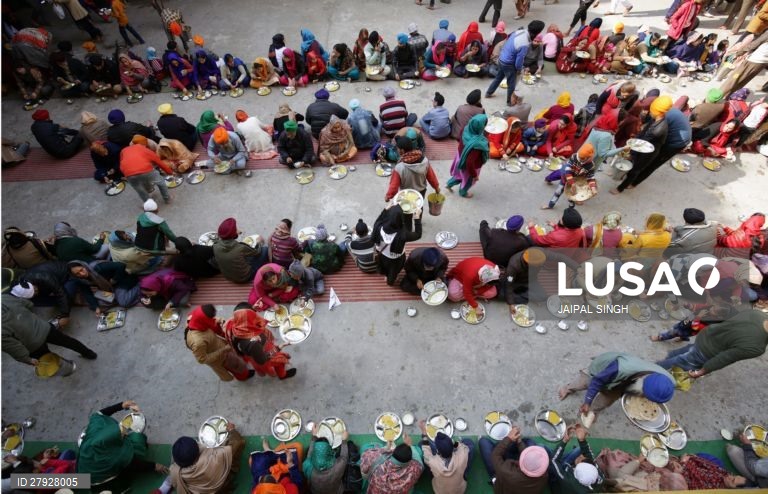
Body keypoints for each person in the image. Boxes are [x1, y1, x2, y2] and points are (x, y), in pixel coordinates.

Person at [77, 400, 167, 487]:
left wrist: (121, 405)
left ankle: (69, 482)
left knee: (67, 482)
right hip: (95, 479)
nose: (125, 431)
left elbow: (100, 414)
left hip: (80, 473)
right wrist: (154, 466)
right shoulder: (116, 457)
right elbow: (133, 465)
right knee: (137, 441)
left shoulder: (95, 430)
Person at [559, 351, 675, 416]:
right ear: (643, 383)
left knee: (606, 401)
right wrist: (587, 401)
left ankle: (592, 412)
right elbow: (597, 381)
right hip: (601, 370)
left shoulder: (669, 380)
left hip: (623, 380)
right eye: (645, 395)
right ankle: (568, 388)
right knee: (583, 383)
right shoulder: (620, 368)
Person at [2, 291, 97, 370]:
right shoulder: (4, 297)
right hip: (44, 327)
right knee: (68, 341)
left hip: (32, 345)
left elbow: (12, 347)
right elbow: (28, 304)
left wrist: (27, 359)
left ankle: (68, 368)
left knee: (48, 358)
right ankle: (89, 354)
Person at [657, 310, 768, 377]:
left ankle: (668, 356)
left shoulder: (757, 314)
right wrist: (701, 372)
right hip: (706, 352)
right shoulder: (757, 347)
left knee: (687, 350)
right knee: (680, 361)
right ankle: (654, 368)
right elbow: (725, 358)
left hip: (707, 335)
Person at [612, 96, 672, 194]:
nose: (649, 112)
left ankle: (620, 188)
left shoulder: (658, 130)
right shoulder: (656, 119)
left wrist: (631, 150)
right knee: (629, 159)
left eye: (652, 110)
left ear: (658, 111)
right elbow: (642, 133)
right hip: (642, 145)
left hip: (648, 152)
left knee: (635, 170)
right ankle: (622, 175)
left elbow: (641, 144)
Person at [226, 302, 297, 379]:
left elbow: (242, 316)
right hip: (263, 355)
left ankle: (262, 372)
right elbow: (263, 360)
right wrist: (279, 347)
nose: (257, 317)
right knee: (279, 363)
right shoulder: (254, 343)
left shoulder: (235, 327)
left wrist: (253, 308)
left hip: (252, 356)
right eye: (253, 316)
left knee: (259, 366)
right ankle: (282, 375)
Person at [169, 425, 245, 493]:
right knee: (234, 449)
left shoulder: (175, 472)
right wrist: (232, 431)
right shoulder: (215, 457)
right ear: (198, 450)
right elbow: (237, 442)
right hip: (222, 485)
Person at [184, 304, 250, 382]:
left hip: (221, 346)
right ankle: (244, 376)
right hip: (221, 358)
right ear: (204, 320)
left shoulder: (194, 320)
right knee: (237, 367)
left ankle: (244, 372)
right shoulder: (198, 342)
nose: (212, 320)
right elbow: (202, 359)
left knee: (237, 361)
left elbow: (212, 320)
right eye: (210, 319)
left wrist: (219, 320)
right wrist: (223, 350)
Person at [486, 21, 546, 106]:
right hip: (508, 63)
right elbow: (519, 60)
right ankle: (510, 102)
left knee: (499, 78)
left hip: (502, 58)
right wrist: (518, 69)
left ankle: (488, 93)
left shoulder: (520, 31)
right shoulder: (524, 43)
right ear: (537, 33)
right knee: (511, 84)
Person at [479, 426, 549, 493]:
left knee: (483, 442)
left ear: (521, 461)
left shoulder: (506, 472)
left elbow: (495, 455)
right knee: (528, 441)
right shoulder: (544, 475)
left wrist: (508, 438)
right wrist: (519, 442)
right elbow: (529, 459)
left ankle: (494, 478)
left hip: (502, 477)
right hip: (512, 473)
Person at [372, 205, 423, 285]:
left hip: (382, 254)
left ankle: (386, 276)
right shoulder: (402, 235)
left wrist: (385, 209)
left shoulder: (378, 226)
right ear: (400, 220)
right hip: (396, 259)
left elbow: (380, 218)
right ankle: (390, 281)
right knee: (393, 272)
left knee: (384, 267)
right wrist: (417, 218)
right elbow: (418, 234)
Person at [549, 424, 605, 493]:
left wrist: (564, 440)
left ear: (574, 471)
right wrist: (582, 440)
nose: (581, 456)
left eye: (580, 462)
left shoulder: (568, 479)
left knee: (546, 452)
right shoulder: (599, 477)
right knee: (580, 449)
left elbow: (553, 460)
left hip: (560, 484)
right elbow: (590, 457)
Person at [212, 217, 268, 284]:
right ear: (233, 234)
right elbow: (257, 252)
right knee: (265, 249)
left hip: (228, 277)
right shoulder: (240, 247)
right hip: (245, 277)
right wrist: (258, 243)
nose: (238, 230)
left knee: (242, 256)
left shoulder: (215, 246)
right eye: (236, 229)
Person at [120, 135, 174, 204]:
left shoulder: (124, 150)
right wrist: (170, 172)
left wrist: (126, 174)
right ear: (145, 144)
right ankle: (167, 199)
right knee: (161, 183)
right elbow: (160, 163)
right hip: (145, 170)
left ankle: (149, 205)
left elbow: (122, 162)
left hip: (128, 174)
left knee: (140, 190)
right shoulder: (145, 150)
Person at [446, 114, 490, 198]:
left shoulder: (466, 129)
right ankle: (463, 192)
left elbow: (460, 139)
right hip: (469, 167)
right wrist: (474, 175)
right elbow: (469, 162)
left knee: (459, 175)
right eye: (484, 125)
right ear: (481, 127)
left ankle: (449, 184)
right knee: (468, 180)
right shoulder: (477, 145)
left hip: (460, 158)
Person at [420, 427, 474, 493]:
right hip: (460, 490)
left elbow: (426, 452)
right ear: (452, 447)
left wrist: (424, 435)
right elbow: (463, 447)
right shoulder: (462, 455)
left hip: (439, 491)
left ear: (437, 451)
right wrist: (455, 443)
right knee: (469, 442)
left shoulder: (432, 462)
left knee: (421, 444)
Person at [543, 143, 597, 209]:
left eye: (583, 159)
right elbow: (567, 170)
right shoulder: (574, 157)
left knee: (572, 197)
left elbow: (590, 177)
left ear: (590, 157)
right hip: (565, 175)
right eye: (580, 158)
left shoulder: (591, 166)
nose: (580, 160)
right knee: (558, 190)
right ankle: (550, 205)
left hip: (576, 179)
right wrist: (572, 183)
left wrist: (593, 188)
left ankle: (570, 211)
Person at [385, 136, 440, 202]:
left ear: (402, 150)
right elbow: (431, 177)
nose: (397, 150)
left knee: (407, 210)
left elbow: (394, 186)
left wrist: (388, 196)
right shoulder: (425, 161)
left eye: (397, 148)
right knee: (419, 209)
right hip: (421, 192)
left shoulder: (399, 167)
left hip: (406, 193)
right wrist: (436, 188)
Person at [303, 426, 349, 494]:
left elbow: (309, 456)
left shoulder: (308, 467)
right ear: (329, 451)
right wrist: (344, 441)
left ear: (315, 454)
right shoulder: (337, 468)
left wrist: (314, 437)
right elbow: (344, 457)